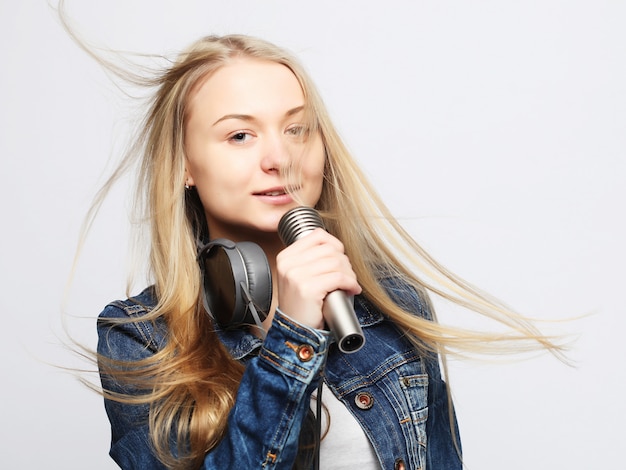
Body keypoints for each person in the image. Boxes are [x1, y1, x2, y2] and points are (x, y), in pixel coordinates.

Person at [86, 33, 564, 470]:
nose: (279, 158)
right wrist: (291, 338)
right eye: (240, 135)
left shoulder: (391, 305)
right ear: (186, 165)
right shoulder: (141, 339)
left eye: (297, 130)